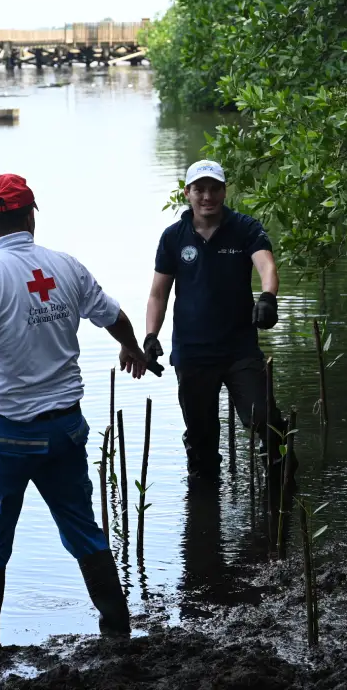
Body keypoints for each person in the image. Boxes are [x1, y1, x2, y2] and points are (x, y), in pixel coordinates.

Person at [0, 174, 147, 645]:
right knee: (83, 530)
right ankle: (117, 632)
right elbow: (115, 317)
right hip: (65, 431)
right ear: (31, 217)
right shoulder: (66, 267)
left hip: (6, 435)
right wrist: (131, 348)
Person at [144, 159, 283, 479]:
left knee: (263, 417)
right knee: (201, 435)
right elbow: (158, 294)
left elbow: (267, 266)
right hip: (192, 352)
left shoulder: (245, 228)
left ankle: (279, 483)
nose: (207, 196)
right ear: (187, 193)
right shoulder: (173, 237)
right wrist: (151, 336)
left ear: (224, 191)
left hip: (239, 348)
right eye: (199, 189)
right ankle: (203, 499)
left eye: (214, 188)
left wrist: (267, 297)